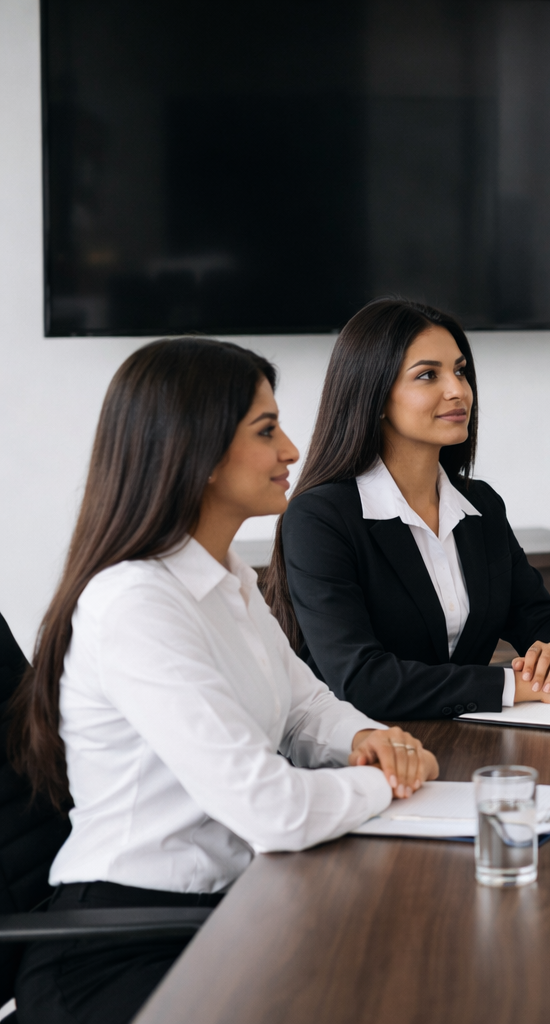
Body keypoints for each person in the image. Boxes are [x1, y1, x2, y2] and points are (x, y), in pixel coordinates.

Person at [9, 338, 439, 1023]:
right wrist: (384, 780)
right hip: (122, 943)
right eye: (266, 431)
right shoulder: (134, 604)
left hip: (232, 909)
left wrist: (366, 735)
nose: (293, 451)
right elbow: (270, 810)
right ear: (198, 453)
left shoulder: (229, 580)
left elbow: (304, 708)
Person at [264, 298, 550, 721]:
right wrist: (524, 686)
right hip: (359, 754)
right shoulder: (320, 517)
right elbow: (361, 681)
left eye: (460, 370)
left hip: (461, 738)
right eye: (428, 375)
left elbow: (536, 614)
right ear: (374, 396)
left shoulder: (480, 504)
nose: (458, 390)